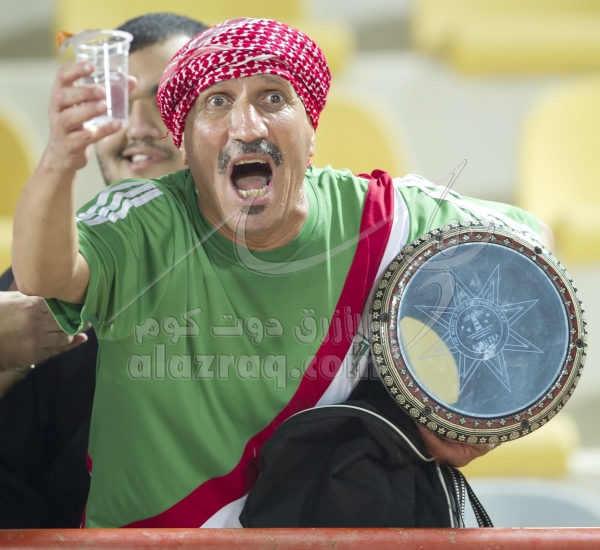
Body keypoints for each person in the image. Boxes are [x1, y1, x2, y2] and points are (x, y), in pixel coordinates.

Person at [12, 18, 552, 528]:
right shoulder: (142, 217)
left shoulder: (384, 217)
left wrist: (463, 412)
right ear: (186, 142)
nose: (247, 126)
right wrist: (60, 160)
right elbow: (44, 276)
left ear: (310, 131)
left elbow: (533, 248)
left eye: (273, 98)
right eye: (217, 102)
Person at [0, 13, 207, 528]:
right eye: (119, 102)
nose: (137, 128)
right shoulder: (40, 279)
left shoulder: (285, 263)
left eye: (166, 101)